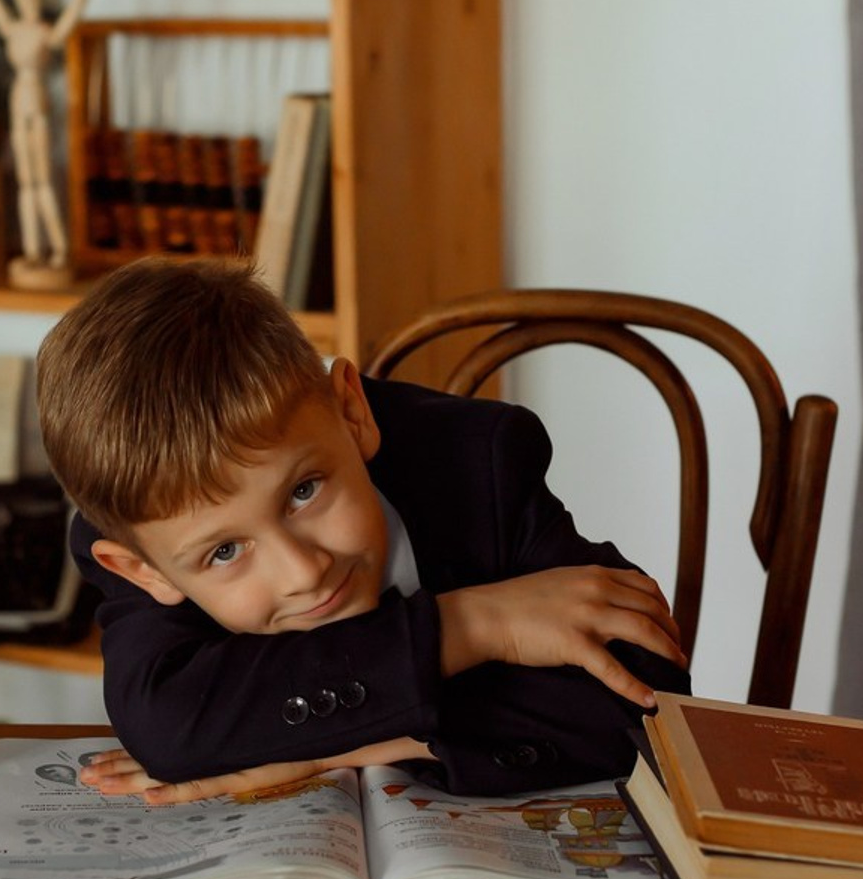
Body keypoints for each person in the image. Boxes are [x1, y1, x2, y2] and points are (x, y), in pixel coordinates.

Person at [36, 258, 690, 805]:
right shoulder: (147, 527)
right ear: (142, 570)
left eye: (303, 491)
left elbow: (647, 695)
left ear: (351, 412)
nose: (303, 570)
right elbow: (170, 727)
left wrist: (338, 747)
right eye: (226, 552)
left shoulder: (477, 460)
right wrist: (474, 626)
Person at [0, 0, 87, 285]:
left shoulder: (44, 33)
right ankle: (32, 250)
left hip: (37, 103)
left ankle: (58, 248)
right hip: (19, 99)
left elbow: (79, 1)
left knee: (43, 181)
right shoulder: (13, 29)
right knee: (26, 183)